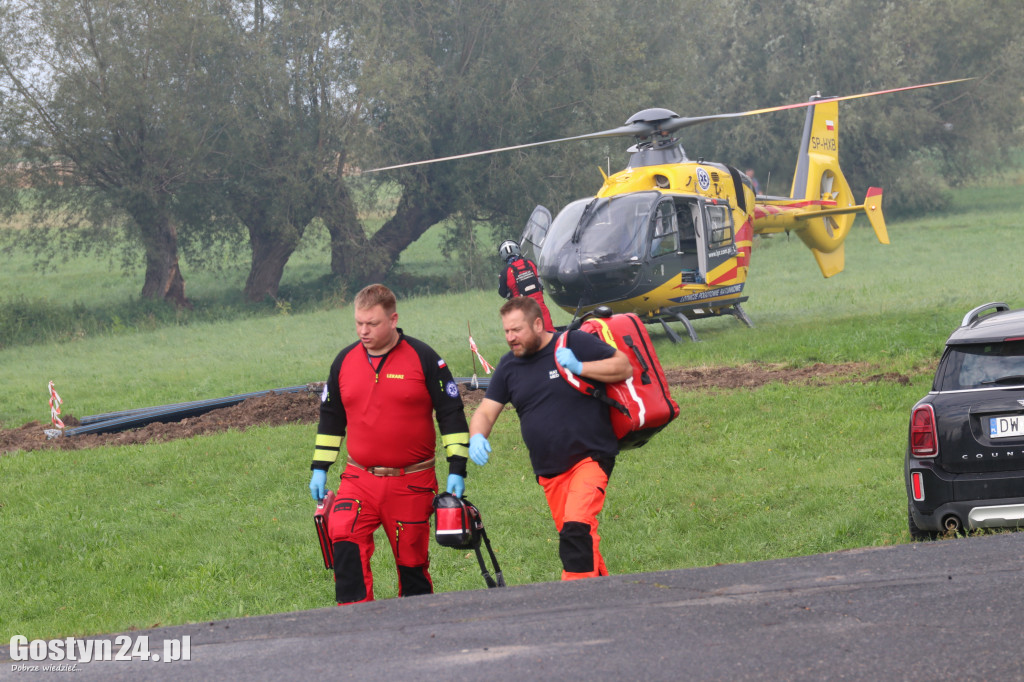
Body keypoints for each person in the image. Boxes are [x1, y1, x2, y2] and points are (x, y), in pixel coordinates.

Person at [308, 283, 470, 605]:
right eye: (358, 323)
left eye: (372, 323)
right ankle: (356, 624)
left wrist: (457, 468)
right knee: (343, 535)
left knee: (412, 563)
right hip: (359, 479)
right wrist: (320, 468)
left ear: (393, 319)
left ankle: (417, 628)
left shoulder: (424, 358)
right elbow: (330, 417)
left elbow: (451, 413)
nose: (363, 331)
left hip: (412, 482)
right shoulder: (344, 361)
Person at [467, 296, 631, 580]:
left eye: (517, 330)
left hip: (590, 458)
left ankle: (572, 603)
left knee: (576, 528)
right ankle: (607, 598)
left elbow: (623, 367)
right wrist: (477, 436)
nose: (510, 338)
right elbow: (485, 411)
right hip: (550, 472)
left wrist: (580, 368)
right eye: (506, 331)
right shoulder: (508, 367)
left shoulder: (573, 343)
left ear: (538, 324)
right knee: (579, 538)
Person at [497, 239, 555, 332]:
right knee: (549, 333)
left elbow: (502, 293)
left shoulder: (505, 272)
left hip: (522, 309)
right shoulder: (530, 263)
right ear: (517, 249)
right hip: (540, 306)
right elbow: (540, 280)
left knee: (527, 336)